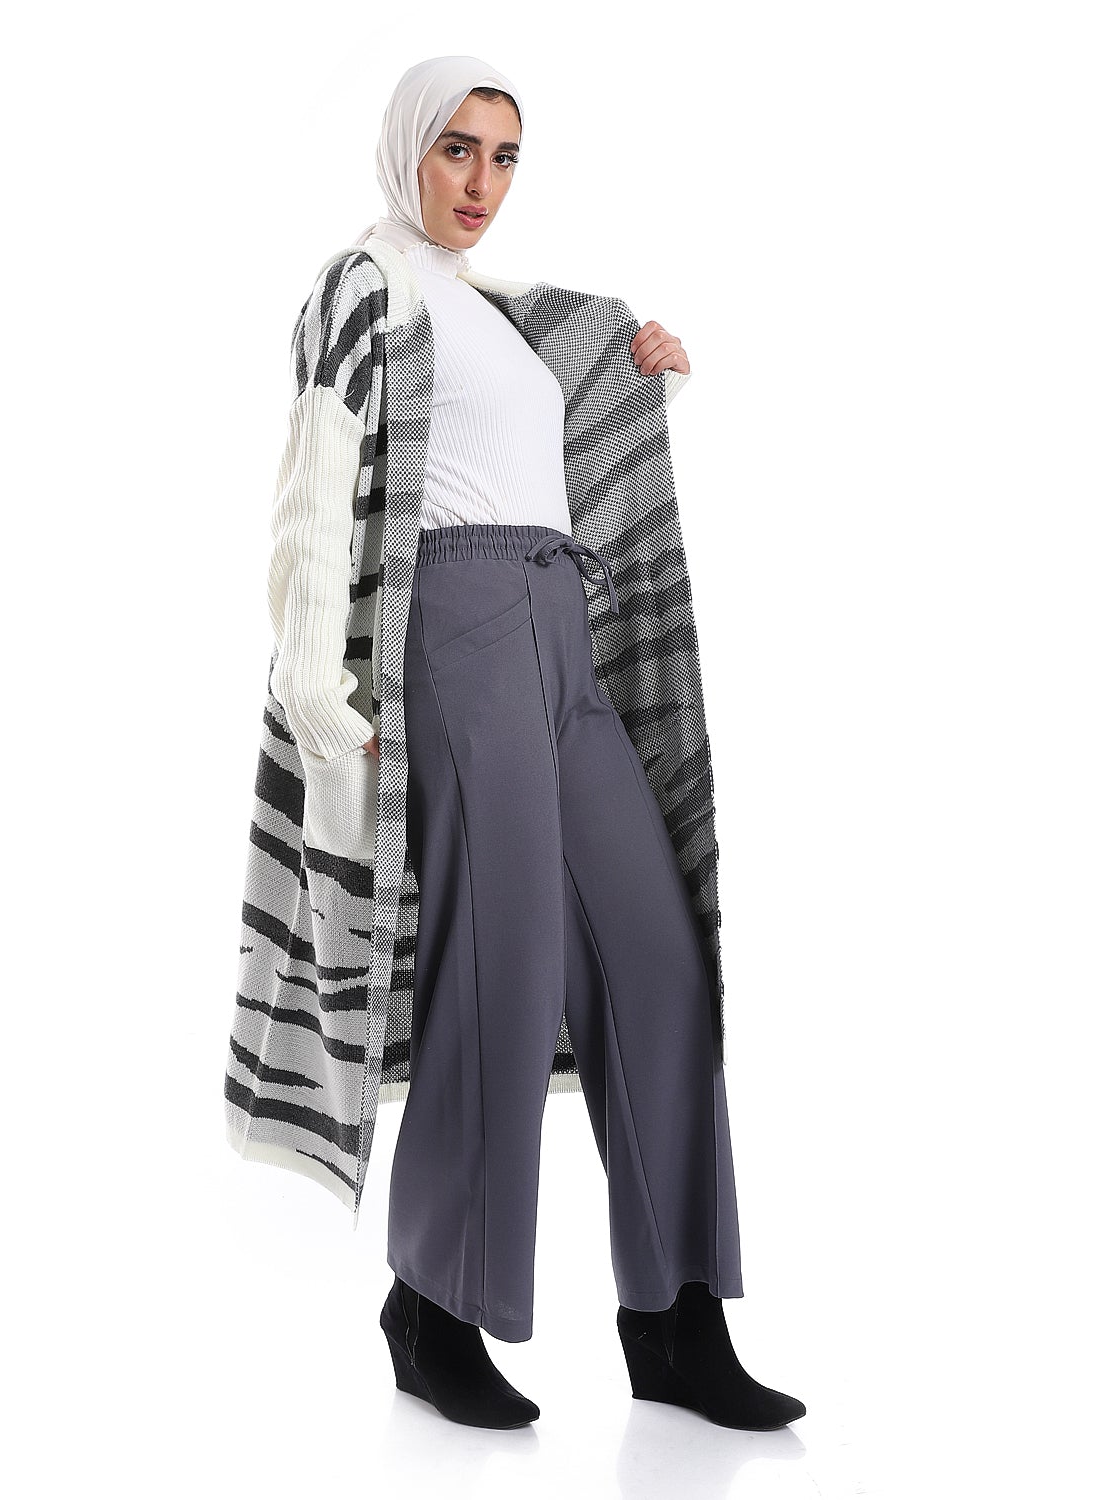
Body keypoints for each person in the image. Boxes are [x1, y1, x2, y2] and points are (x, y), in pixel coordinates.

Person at [230, 54, 805, 1434]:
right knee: (502, 965)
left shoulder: (498, 308)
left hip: (564, 622)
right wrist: (323, 700)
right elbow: (315, 491)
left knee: (657, 960)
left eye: (503, 156)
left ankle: (675, 1324)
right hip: (459, 625)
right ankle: (433, 1309)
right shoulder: (364, 288)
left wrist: (642, 383)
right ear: (406, 151)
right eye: (457, 149)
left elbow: (537, 450)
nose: (480, 181)